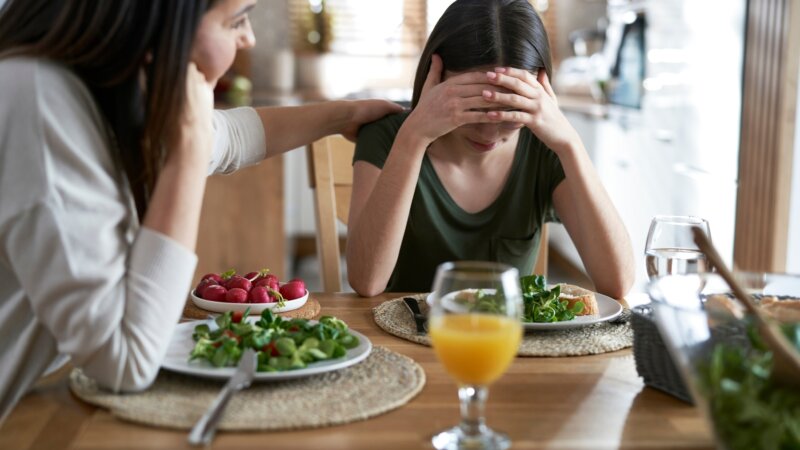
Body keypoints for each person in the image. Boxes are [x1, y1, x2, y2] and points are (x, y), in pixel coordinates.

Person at [0, 0, 401, 422]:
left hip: (39, 393)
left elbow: (229, 135)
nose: (250, 37)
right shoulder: (41, 107)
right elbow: (126, 363)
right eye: (236, 20)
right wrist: (187, 160)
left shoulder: (87, 87)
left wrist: (344, 115)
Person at [347, 0, 634, 298]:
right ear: (436, 78)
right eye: (472, 109)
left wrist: (570, 143)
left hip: (508, 342)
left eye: (508, 113)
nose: (489, 132)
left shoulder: (546, 149)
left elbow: (617, 283)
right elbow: (366, 281)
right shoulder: (389, 136)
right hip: (403, 338)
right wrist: (413, 138)